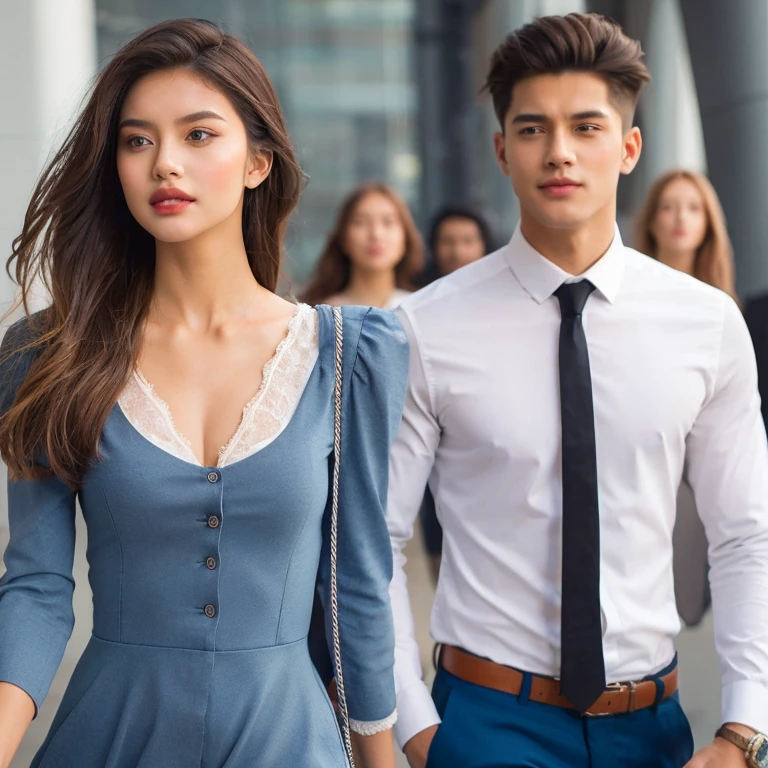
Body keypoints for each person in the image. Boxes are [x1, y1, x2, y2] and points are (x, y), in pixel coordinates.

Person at [0, 19, 407, 768]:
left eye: (198, 135)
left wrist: (380, 761)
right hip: (110, 737)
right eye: (136, 140)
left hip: (291, 740)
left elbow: (357, 587)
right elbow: (34, 586)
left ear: (257, 161)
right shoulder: (45, 355)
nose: (164, 166)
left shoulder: (346, 354)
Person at [386, 12, 768, 768]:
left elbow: (745, 532)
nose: (559, 151)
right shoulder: (425, 327)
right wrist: (416, 727)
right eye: (532, 129)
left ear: (628, 148)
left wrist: (743, 728)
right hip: (487, 721)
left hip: (653, 727)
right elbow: (377, 544)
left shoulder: (706, 323)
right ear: (501, 149)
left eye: (586, 127)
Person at [635, 169, 738, 628]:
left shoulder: (726, 312)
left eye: (693, 208)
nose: (680, 218)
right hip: (642, 473)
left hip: (709, 480)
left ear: (708, 224)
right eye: (669, 206)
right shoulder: (625, 301)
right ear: (652, 220)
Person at [417, 203, 497, 585]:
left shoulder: (505, 307)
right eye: (447, 241)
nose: (457, 250)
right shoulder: (418, 310)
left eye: (467, 240)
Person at [301, 181, 423, 309]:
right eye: (360, 222)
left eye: (388, 222)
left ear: (405, 238)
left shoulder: (418, 310)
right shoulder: (322, 315)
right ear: (343, 237)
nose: (376, 234)